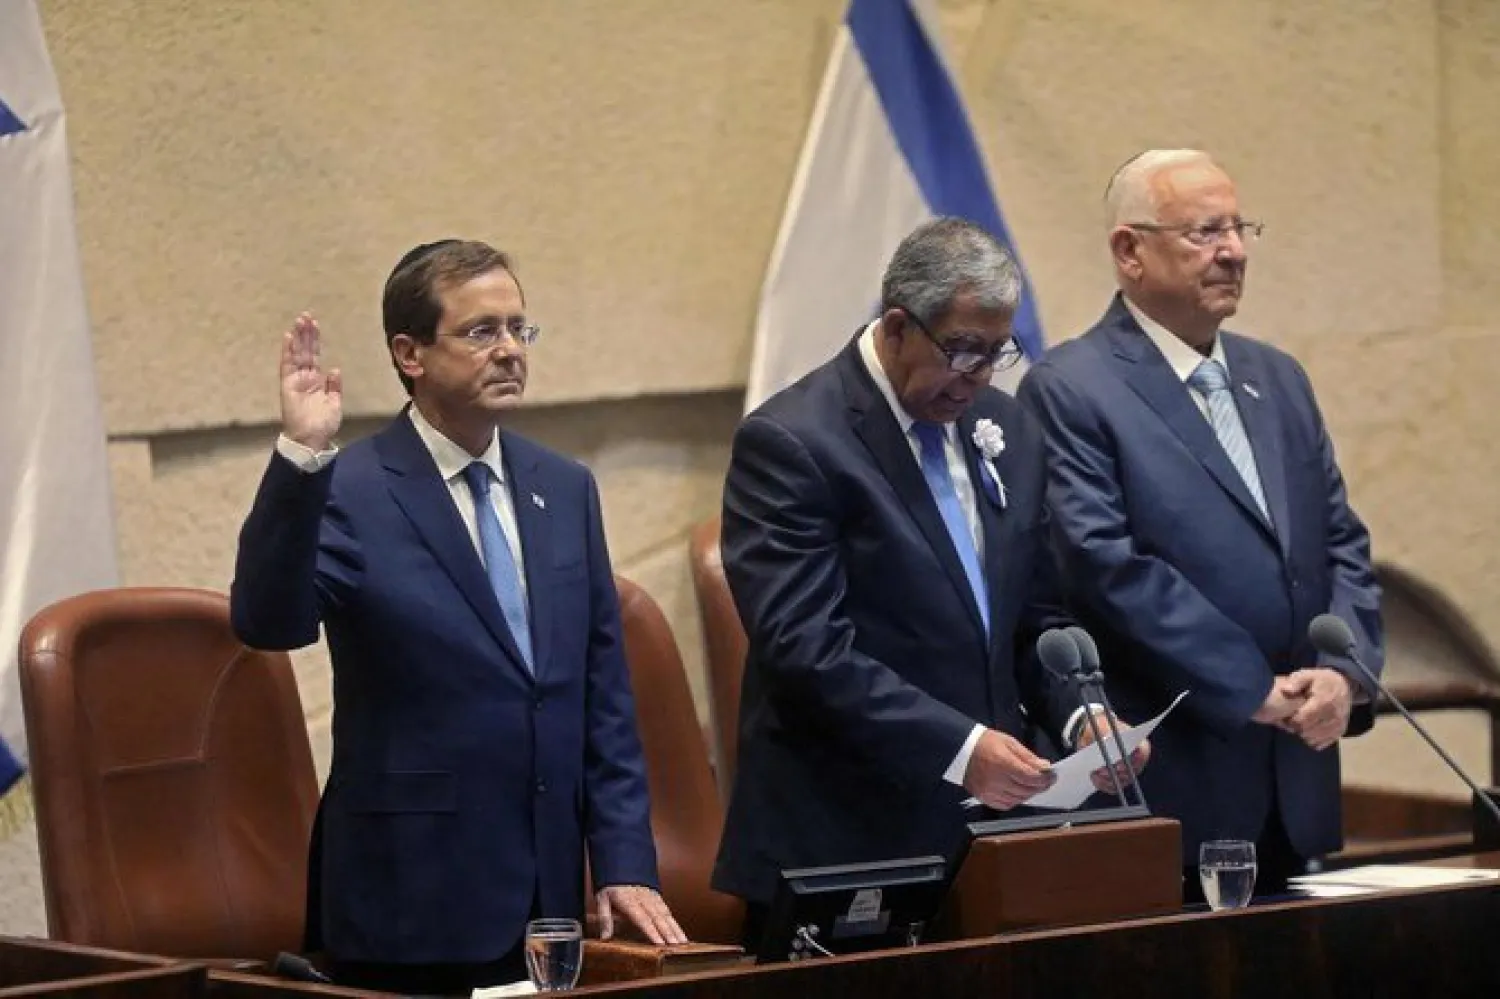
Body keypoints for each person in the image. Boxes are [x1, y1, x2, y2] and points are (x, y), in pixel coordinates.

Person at [230, 239, 685, 994]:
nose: (510, 350)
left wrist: (624, 860)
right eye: (482, 331)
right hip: (412, 900)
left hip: (548, 903)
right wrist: (301, 457)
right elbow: (268, 621)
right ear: (410, 353)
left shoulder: (564, 487)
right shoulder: (350, 487)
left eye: (519, 328)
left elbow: (600, 692)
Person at [711, 218, 1147, 941]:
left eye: (996, 352)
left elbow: (1036, 616)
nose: (977, 376)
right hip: (847, 842)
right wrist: (962, 746)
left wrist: (1082, 714)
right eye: (962, 350)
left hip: (993, 843)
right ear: (896, 326)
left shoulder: (1007, 427)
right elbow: (805, 649)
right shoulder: (793, 442)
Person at [1017, 150, 1383, 896]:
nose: (1235, 250)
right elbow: (1105, 564)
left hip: (1296, 779)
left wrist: (1347, 675)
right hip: (1181, 777)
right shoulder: (1071, 388)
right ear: (1130, 250)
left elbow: (1339, 538)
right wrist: (1248, 685)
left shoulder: (1277, 377)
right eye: (1204, 231)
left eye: (1240, 228)